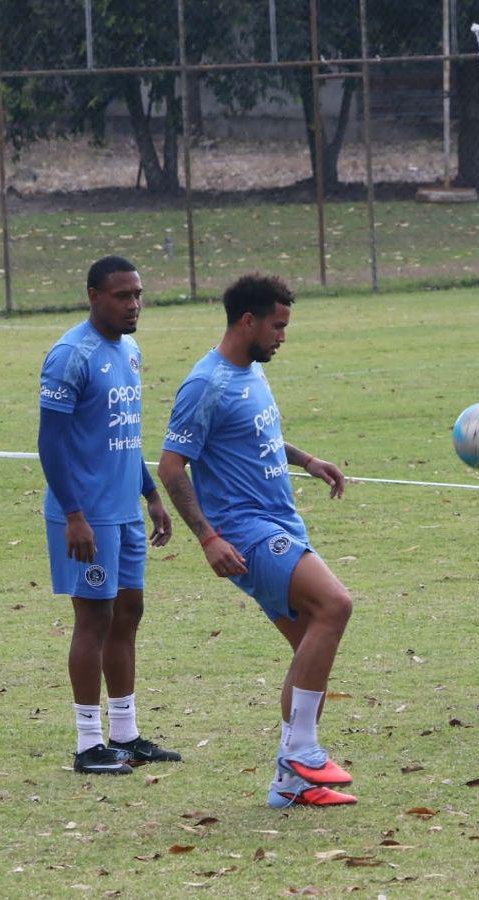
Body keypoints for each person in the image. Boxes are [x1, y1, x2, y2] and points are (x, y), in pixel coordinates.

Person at [157, 273, 356, 808]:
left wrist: (307, 460)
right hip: (245, 532)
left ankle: (288, 787)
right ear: (248, 321)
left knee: (307, 648)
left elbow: (257, 433)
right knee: (335, 606)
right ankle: (303, 752)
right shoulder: (207, 382)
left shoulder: (250, 372)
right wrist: (207, 538)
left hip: (281, 520)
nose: (282, 337)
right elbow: (172, 467)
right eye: (278, 325)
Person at [37, 255, 179, 776]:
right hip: (86, 517)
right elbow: (50, 444)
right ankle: (88, 743)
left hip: (124, 511)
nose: (134, 304)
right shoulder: (69, 356)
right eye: (122, 296)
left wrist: (151, 494)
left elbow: (126, 433)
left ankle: (127, 733)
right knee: (93, 618)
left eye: (138, 294)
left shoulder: (131, 349)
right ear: (94, 295)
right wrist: (74, 514)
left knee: (128, 614)